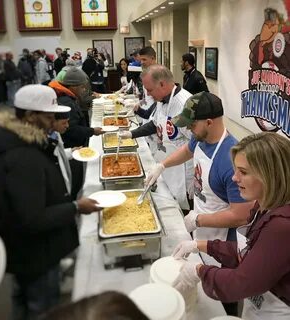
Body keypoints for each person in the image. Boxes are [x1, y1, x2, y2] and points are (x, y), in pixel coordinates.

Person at [0, 84, 101, 319]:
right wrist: (75, 207)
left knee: (22, 300)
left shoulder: (13, 140)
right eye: (50, 117)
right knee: (42, 307)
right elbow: (33, 218)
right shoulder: (22, 155)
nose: (54, 122)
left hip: (19, 248)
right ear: (30, 116)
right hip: (36, 252)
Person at [172, 132, 290, 319]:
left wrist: (198, 271)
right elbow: (250, 252)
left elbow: (239, 283)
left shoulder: (281, 227)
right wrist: (201, 246)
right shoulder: (263, 205)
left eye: (243, 172)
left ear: (270, 175)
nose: (234, 178)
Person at [145, 92, 252, 262]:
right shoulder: (201, 138)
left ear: (209, 122)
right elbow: (188, 150)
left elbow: (241, 215)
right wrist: (162, 166)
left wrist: (199, 220)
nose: (188, 129)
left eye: (192, 124)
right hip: (201, 226)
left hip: (222, 243)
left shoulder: (231, 160)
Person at [120, 65, 193, 211]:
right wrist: (132, 134)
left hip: (182, 172)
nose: (148, 94)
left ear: (162, 84)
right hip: (166, 164)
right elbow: (154, 124)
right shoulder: (161, 100)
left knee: (182, 210)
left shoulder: (185, 104)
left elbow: (197, 143)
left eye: (150, 90)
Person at [49, 67, 104, 199]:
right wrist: (92, 131)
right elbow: (70, 129)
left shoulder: (68, 97)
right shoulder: (66, 101)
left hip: (71, 150)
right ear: (73, 86)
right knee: (74, 182)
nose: (83, 90)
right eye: (81, 87)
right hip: (72, 150)